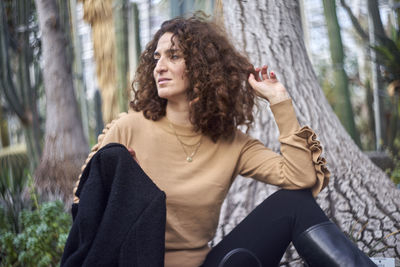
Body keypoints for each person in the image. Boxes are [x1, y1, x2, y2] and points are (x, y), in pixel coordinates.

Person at [72, 14, 376, 267]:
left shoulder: (232, 144)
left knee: (293, 204)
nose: (159, 67)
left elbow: (301, 178)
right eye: (157, 58)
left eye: (173, 56)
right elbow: (83, 204)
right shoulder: (128, 128)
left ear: (203, 67)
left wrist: (279, 101)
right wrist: (123, 185)